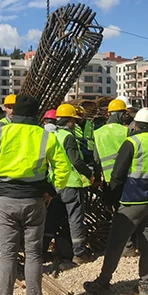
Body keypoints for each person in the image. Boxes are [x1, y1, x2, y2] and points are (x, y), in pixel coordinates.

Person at [0, 94, 71, 295]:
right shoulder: (47, 137)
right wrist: (51, 192)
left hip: (5, 201)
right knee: (34, 254)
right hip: (35, 201)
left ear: (12, 112)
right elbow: (63, 170)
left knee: (7, 255)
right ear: (36, 115)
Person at [83, 107, 148, 295]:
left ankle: (103, 282)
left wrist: (111, 199)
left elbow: (118, 176)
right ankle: (145, 285)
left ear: (135, 124)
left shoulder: (132, 142)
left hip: (130, 201)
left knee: (115, 243)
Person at [50, 103, 97, 264]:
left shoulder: (52, 135)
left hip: (55, 182)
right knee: (75, 218)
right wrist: (89, 174)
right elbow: (76, 161)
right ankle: (79, 253)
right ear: (69, 120)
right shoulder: (67, 136)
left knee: (54, 217)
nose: (75, 124)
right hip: (71, 182)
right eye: (74, 121)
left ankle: (44, 250)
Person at [92, 99, 132, 189]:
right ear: (120, 114)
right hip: (125, 176)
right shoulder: (126, 131)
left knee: (110, 202)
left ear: (109, 114)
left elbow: (96, 159)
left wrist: (97, 179)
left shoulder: (98, 132)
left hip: (108, 179)